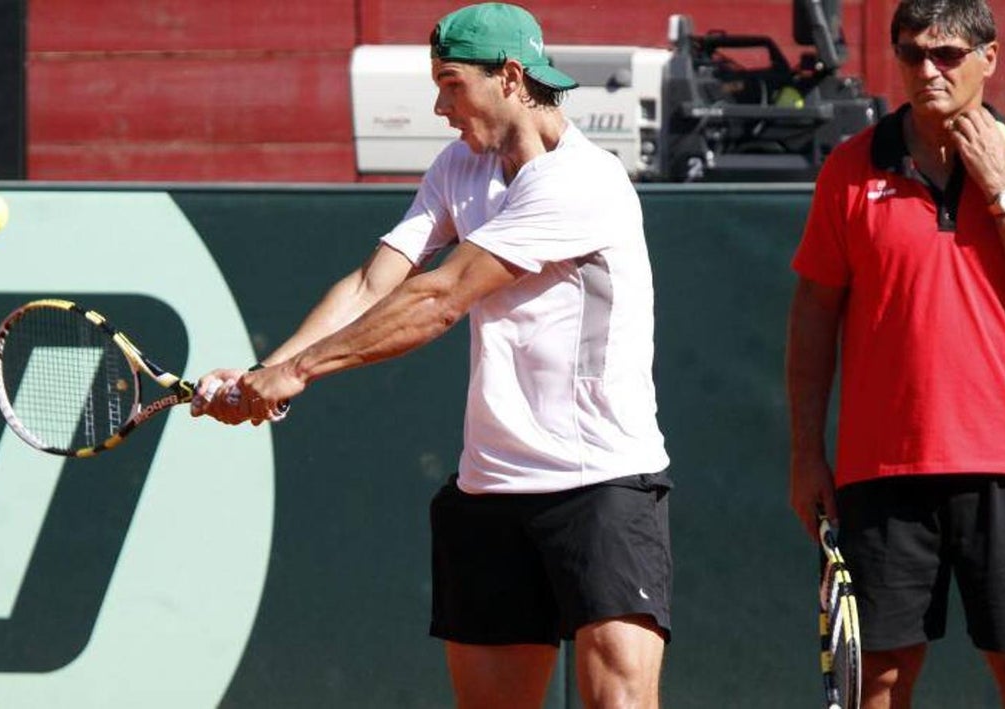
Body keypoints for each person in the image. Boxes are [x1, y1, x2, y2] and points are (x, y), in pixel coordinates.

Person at [192, 3, 672, 707]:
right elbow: (373, 282)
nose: (440, 107)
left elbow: (439, 298)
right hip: (489, 489)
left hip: (601, 484)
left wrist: (294, 372)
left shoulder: (582, 181)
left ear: (511, 78)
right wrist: (267, 372)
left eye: (451, 84)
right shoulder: (459, 166)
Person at [786, 0, 1005, 706]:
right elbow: (812, 318)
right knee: (879, 679)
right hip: (884, 468)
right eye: (911, 53)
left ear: (989, 58)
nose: (928, 70)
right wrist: (806, 453)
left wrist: (1001, 187)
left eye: (947, 54)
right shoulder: (850, 169)